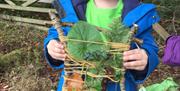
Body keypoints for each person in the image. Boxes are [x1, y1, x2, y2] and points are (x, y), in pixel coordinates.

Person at [44, 0, 160, 91]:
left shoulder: (138, 13)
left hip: (117, 86)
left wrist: (145, 58)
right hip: (75, 83)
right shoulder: (72, 8)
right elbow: (56, 33)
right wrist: (52, 46)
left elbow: (148, 46)